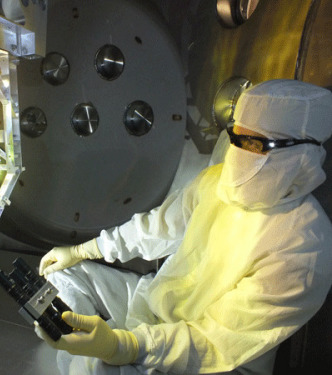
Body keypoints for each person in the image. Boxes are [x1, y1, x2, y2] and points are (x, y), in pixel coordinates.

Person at [35, 79, 332, 375]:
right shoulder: (217, 181)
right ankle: (83, 338)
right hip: (160, 305)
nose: (240, 154)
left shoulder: (304, 248)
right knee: (61, 274)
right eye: (237, 136)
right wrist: (83, 250)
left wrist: (123, 345)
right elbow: (157, 229)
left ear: (302, 155)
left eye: (256, 144)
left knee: (91, 368)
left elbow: (214, 339)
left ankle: (95, 350)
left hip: (213, 360)